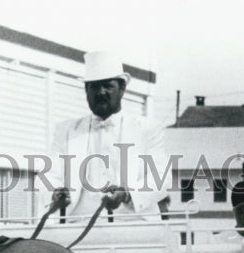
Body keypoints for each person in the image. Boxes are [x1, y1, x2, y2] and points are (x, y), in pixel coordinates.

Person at [45, 51, 170, 219]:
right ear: (86, 90)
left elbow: (161, 178)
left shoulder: (147, 129)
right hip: (78, 228)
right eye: (94, 86)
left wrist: (126, 195)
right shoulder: (66, 130)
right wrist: (55, 192)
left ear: (122, 88)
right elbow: (49, 174)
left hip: (135, 228)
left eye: (108, 86)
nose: (101, 92)